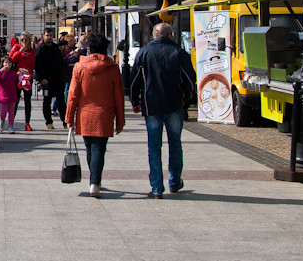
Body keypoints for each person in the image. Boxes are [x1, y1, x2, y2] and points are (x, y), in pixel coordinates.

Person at [130, 22, 196, 198]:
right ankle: (174, 182)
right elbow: (190, 79)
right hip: (174, 104)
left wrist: (135, 100)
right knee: (175, 143)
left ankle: (157, 187)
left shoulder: (144, 52)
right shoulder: (178, 52)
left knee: (154, 146)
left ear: (154, 35)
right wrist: (187, 99)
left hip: (151, 104)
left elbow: (134, 78)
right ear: (170, 35)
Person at [65, 34, 125, 198]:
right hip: (104, 114)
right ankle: (95, 181)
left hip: (85, 114)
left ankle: (94, 179)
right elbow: (119, 96)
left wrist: (69, 117)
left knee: (89, 147)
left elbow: (73, 95)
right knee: (99, 148)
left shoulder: (79, 67)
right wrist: (120, 120)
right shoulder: (112, 68)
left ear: (89, 49)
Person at [35, 29, 67, 129]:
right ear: (43, 36)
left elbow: (61, 63)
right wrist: (41, 79)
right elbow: (37, 66)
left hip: (58, 79)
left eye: (51, 35)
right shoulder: (40, 49)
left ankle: (65, 121)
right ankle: (48, 121)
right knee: (47, 101)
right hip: (46, 81)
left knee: (61, 101)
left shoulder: (55, 48)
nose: (49, 37)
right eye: (47, 35)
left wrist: (62, 76)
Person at [10, 33, 37, 130]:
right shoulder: (16, 47)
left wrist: (27, 54)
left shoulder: (32, 50)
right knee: (15, 101)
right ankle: (11, 122)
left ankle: (27, 123)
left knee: (27, 101)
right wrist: (19, 52)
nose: (24, 42)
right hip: (17, 78)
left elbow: (32, 63)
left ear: (29, 40)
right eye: (22, 40)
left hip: (27, 78)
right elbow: (11, 59)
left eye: (26, 40)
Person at [0, 55, 20, 134]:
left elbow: (18, 80)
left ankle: (10, 126)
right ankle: (2, 122)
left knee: (11, 112)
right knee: (3, 112)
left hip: (12, 96)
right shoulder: (1, 72)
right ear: (3, 63)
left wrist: (21, 74)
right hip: (3, 96)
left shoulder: (13, 73)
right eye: (6, 62)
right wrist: (1, 71)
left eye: (9, 63)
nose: (7, 64)